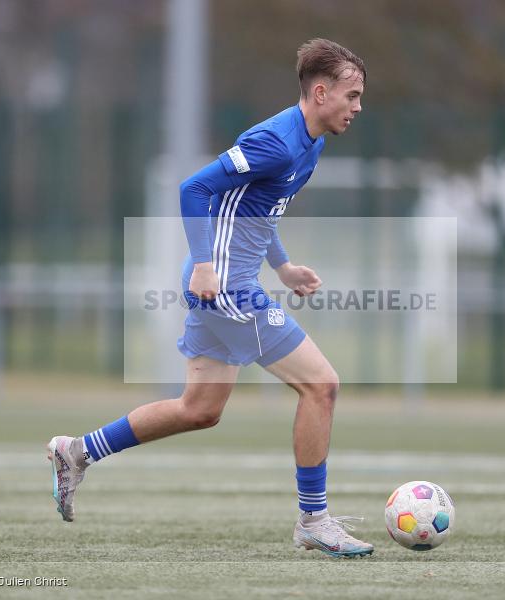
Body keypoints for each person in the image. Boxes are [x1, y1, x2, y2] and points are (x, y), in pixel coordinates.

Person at [47, 38, 371, 558]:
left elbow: (260, 211)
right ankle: (314, 520)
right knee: (322, 386)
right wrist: (203, 263)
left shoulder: (311, 144)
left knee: (199, 409)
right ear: (320, 92)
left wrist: (283, 266)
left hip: (225, 285)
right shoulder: (276, 142)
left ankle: (78, 451)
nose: (357, 107)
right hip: (225, 289)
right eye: (351, 96)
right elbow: (193, 188)